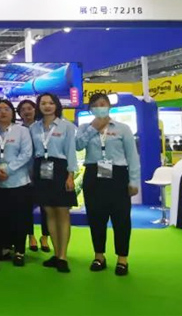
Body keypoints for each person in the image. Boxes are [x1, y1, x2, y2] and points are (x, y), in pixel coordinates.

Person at [76, 93, 140, 276]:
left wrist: (133, 181)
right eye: (95, 105)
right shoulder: (84, 128)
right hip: (93, 175)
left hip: (118, 176)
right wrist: (93, 128)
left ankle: (122, 258)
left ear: (109, 106)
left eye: (103, 103)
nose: (100, 107)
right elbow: (77, 146)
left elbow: (132, 157)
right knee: (96, 217)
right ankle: (99, 256)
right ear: (91, 109)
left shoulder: (123, 129)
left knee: (121, 218)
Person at [31, 92, 78, 273]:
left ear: (57, 105)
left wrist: (70, 175)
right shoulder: (34, 128)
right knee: (49, 212)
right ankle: (56, 254)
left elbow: (71, 151)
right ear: (39, 106)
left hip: (60, 169)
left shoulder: (67, 126)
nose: (47, 106)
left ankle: (63, 256)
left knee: (62, 212)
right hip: (41, 168)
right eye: (43, 103)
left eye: (51, 103)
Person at [0, 100, 34, 268]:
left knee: (19, 217)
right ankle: (5, 247)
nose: (3, 112)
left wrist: (8, 169)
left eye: (6, 109)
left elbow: (26, 154)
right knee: (1, 217)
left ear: (12, 112)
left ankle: (19, 251)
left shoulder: (22, 131)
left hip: (18, 180)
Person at [18, 99, 50, 253]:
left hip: (44, 169)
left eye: (29, 108)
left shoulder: (42, 127)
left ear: (35, 110)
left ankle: (45, 236)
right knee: (26, 206)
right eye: (23, 109)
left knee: (46, 205)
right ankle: (30, 235)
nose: (26, 112)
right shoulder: (17, 130)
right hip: (24, 171)